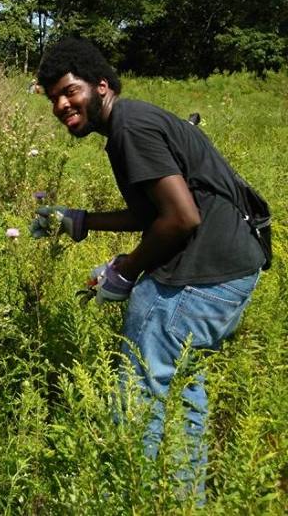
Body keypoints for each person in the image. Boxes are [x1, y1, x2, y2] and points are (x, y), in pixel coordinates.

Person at [30, 36, 266, 498]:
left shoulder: (129, 128)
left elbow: (181, 218)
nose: (61, 104)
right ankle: (183, 498)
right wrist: (80, 221)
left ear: (101, 86)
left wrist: (126, 271)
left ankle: (142, 498)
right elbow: (155, 212)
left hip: (199, 278)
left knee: (141, 395)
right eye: (55, 97)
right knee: (180, 389)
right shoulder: (133, 121)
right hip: (231, 268)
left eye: (70, 91)